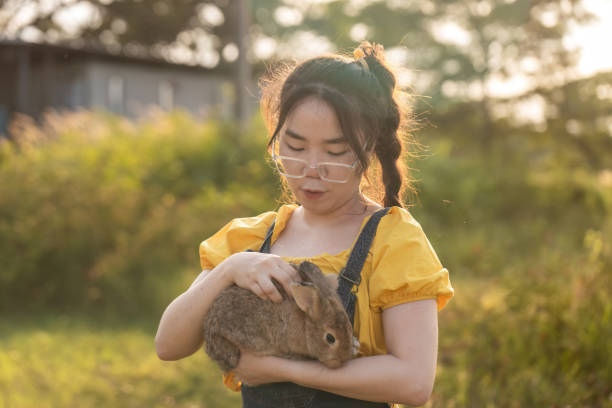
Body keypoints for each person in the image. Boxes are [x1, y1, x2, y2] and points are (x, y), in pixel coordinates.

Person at [155, 41, 454, 408]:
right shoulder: (249, 239)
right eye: (295, 147)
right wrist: (230, 270)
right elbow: (168, 346)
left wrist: (283, 369)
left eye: (335, 151)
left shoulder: (394, 242)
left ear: (371, 148)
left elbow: (413, 383)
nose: (312, 169)